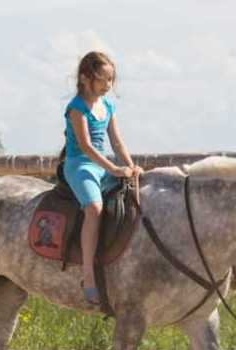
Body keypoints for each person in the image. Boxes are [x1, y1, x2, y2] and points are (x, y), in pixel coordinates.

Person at [60, 51, 142, 305]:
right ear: (85, 78)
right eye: (104, 79)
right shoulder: (77, 107)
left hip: (103, 165)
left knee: (134, 197)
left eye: (111, 80)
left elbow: (116, 141)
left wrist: (130, 166)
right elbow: (86, 146)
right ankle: (88, 275)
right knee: (94, 208)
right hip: (80, 165)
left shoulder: (107, 106)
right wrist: (114, 169)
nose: (108, 85)